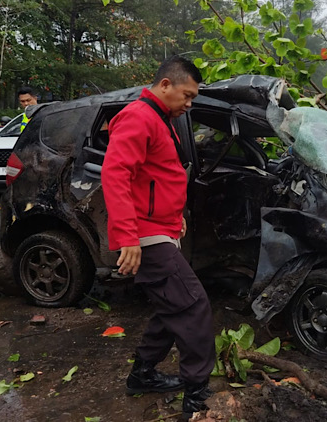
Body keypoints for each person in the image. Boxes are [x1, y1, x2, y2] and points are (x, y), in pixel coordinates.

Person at [101, 56, 215, 418]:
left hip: (158, 230)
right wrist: (128, 237)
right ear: (165, 84)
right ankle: (197, 398)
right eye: (187, 95)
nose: (189, 104)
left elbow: (155, 178)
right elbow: (115, 174)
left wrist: (173, 217)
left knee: (173, 307)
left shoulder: (160, 119)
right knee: (194, 307)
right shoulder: (139, 116)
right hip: (145, 237)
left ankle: (142, 376)